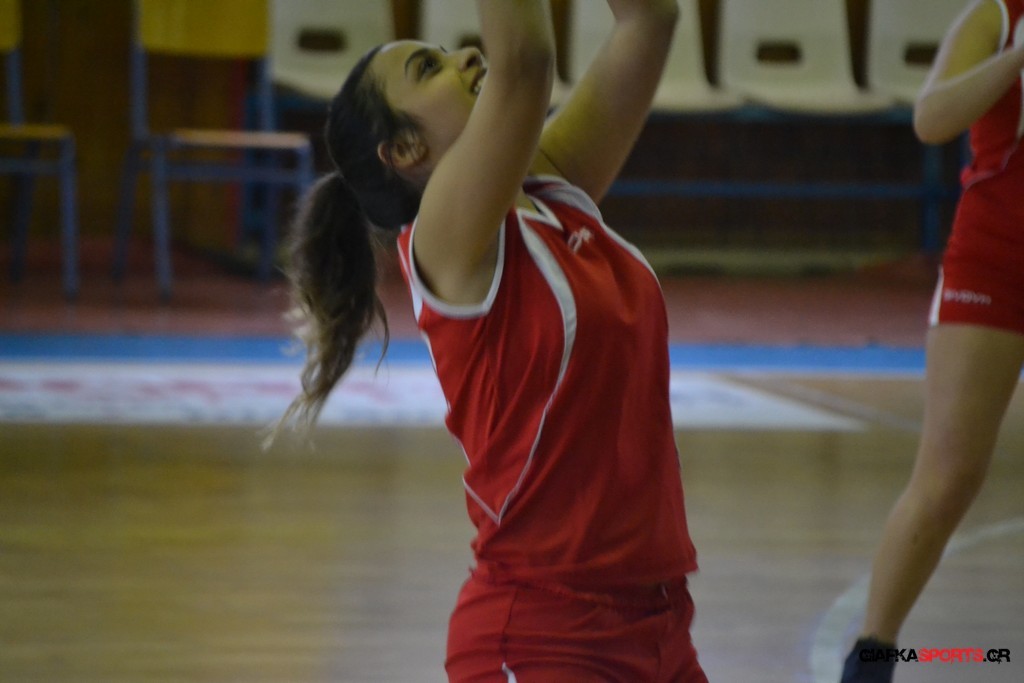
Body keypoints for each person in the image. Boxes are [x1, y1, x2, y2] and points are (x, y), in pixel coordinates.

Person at [272, 0, 708, 680]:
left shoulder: (548, 189)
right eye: (431, 67)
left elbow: (648, 21)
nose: (468, 57)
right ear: (406, 151)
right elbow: (524, 62)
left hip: (659, 620)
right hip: (543, 633)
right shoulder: (444, 240)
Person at [840, 1, 1024, 681]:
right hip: (996, 259)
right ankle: (871, 660)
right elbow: (932, 118)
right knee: (948, 476)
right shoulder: (997, 15)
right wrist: (1018, 58)